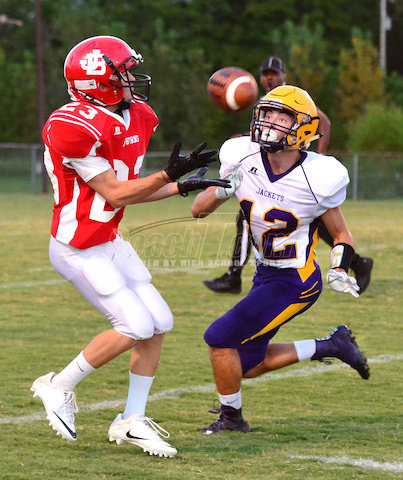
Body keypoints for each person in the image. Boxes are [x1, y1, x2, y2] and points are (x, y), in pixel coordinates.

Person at [30, 35, 230, 457]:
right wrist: (167, 176)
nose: (132, 79)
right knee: (135, 325)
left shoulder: (137, 114)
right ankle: (57, 385)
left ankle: (131, 420)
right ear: (95, 84)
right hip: (77, 246)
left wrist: (181, 185)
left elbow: (132, 191)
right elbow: (115, 192)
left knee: (158, 321)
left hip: (108, 239)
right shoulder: (70, 126)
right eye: (122, 73)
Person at [191, 85, 370, 434]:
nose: (270, 122)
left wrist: (338, 266)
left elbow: (341, 234)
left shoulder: (319, 176)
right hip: (265, 274)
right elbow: (198, 210)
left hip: (295, 281)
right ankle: (333, 346)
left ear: (302, 128)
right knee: (245, 364)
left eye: (282, 116)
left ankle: (232, 420)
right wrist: (224, 189)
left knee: (219, 338)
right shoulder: (242, 156)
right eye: (267, 113)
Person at [203, 56, 373, 295]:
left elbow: (322, 122)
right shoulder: (265, 100)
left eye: (274, 73)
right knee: (251, 217)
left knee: (312, 223)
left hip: (293, 172)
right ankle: (234, 275)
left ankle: (354, 261)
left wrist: (316, 155)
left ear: (284, 75)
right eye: (266, 74)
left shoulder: (294, 98)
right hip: (268, 173)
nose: (269, 77)